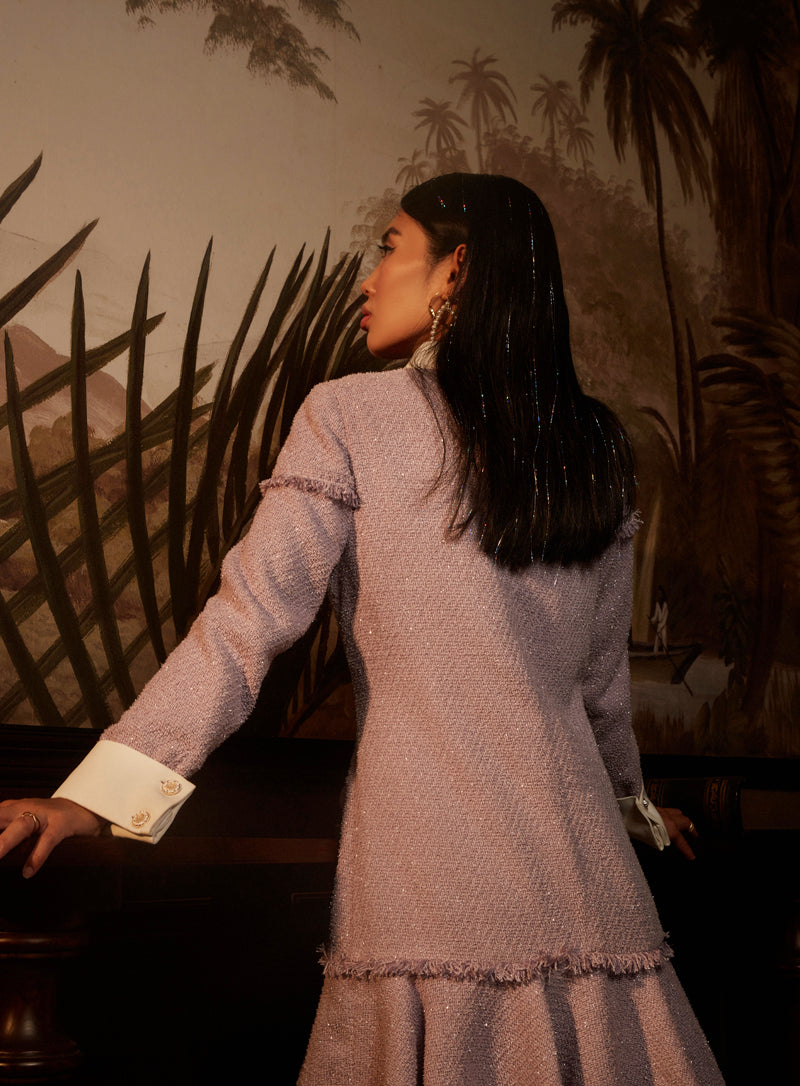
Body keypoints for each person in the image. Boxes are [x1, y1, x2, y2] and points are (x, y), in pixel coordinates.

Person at [0, 174, 722, 1085]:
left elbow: (249, 622)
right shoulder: (595, 447)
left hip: (435, 868)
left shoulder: (351, 413)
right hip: (589, 881)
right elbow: (597, 686)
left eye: (389, 249)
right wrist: (629, 810)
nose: (367, 280)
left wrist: (99, 799)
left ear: (455, 270)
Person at [651, 585, 669, 653]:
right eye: (658, 594)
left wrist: (661, 627)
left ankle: (665, 653)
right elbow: (656, 616)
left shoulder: (665, 605)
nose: (659, 595)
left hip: (663, 626)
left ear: (663, 595)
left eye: (661, 594)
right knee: (657, 640)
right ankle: (655, 653)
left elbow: (665, 619)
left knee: (664, 639)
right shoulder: (657, 604)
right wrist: (652, 620)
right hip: (659, 625)